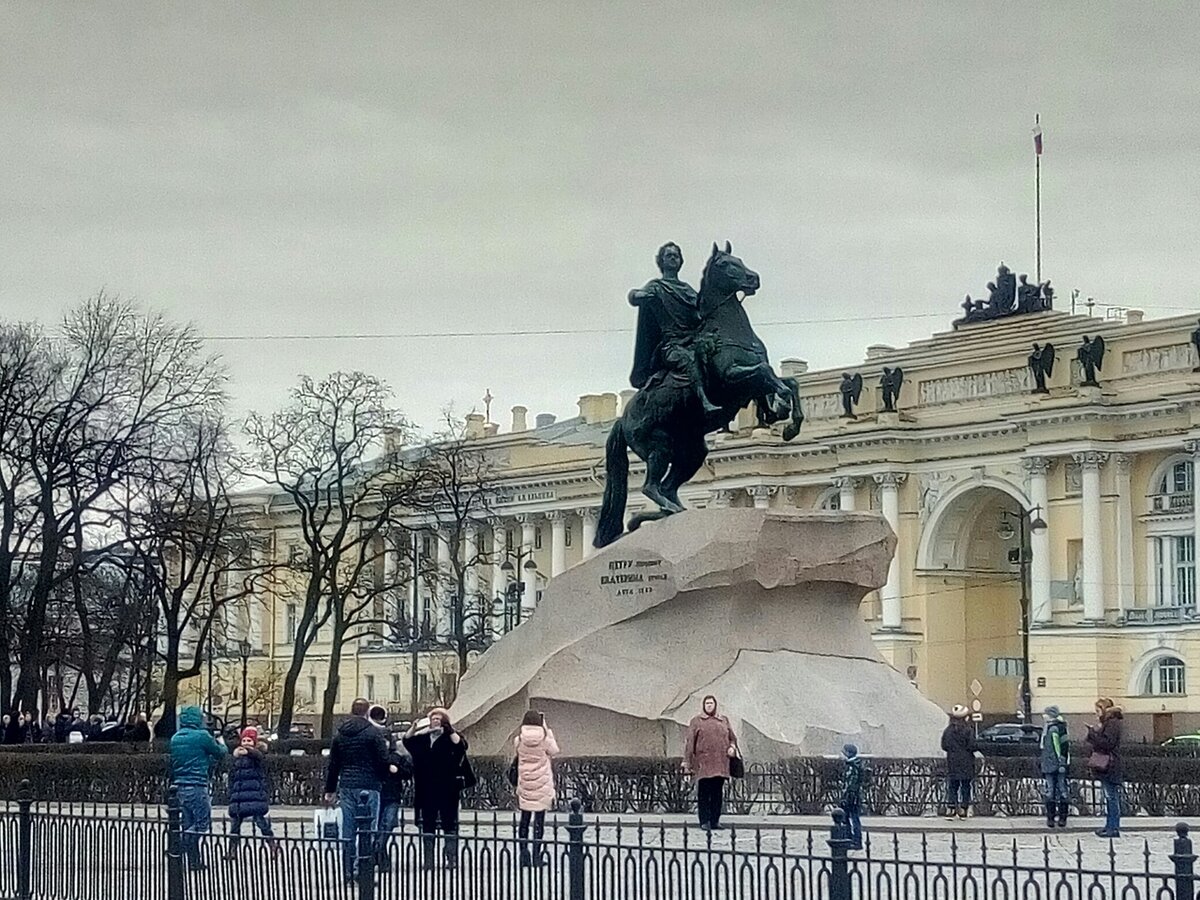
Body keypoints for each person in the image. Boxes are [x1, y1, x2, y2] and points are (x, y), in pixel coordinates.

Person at [628, 242, 722, 416]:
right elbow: (634, 296)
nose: (673, 258)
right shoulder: (656, 286)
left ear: (681, 261)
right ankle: (704, 402)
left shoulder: (687, 289)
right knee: (688, 360)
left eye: (676, 256)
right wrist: (638, 295)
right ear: (661, 261)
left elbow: (701, 310)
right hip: (672, 345)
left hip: (693, 340)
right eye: (669, 255)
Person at [324, 698, 389, 884]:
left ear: (351, 711)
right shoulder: (373, 733)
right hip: (369, 785)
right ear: (367, 712)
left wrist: (330, 789)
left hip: (347, 785)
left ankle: (348, 870)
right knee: (367, 829)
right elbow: (383, 760)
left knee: (348, 829)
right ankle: (362, 870)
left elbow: (333, 764)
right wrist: (382, 778)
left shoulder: (341, 734)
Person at [403, 707, 469, 871]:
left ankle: (451, 858)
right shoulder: (423, 738)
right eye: (433, 719)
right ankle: (429, 860)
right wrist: (413, 728)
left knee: (450, 824)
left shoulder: (450, 738)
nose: (435, 722)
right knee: (427, 826)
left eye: (439, 719)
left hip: (447, 788)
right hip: (426, 789)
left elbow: (461, 746)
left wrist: (449, 730)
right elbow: (407, 742)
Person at [169, 705, 228, 872]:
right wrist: (222, 742)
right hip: (197, 785)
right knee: (202, 823)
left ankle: (194, 861)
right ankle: (177, 845)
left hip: (180, 786)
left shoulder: (176, 738)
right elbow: (220, 753)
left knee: (189, 823)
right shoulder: (202, 736)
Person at [682, 695, 739, 832]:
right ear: (703, 705)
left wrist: (732, 747)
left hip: (721, 763)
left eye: (711, 703)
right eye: (707, 703)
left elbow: (732, 738)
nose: (709, 705)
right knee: (704, 793)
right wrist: (687, 763)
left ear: (715, 705)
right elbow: (690, 743)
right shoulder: (696, 721)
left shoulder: (723, 720)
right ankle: (704, 821)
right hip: (704, 764)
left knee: (717, 794)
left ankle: (715, 821)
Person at [223, 726, 279, 860]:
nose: (246, 743)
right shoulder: (237, 757)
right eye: (244, 740)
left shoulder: (257, 755)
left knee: (261, 822)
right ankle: (232, 850)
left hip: (254, 796)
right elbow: (231, 774)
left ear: (254, 742)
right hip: (239, 796)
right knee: (235, 826)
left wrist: (248, 751)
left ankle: (272, 845)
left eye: (249, 741)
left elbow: (259, 756)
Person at [514, 710, 560, 867]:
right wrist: (547, 730)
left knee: (524, 821)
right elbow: (554, 750)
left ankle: (523, 855)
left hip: (526, 784)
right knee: (539, 822)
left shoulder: (519, 739)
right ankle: (536, 856)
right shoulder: (545, 739)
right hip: (541, 785)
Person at [369, 705, 412, 869]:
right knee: (376, 825)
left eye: (386, 741)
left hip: (392, 796)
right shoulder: (372, 756)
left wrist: (397, 769)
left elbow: (408, 772)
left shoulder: (396, 755)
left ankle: (378, 850)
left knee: (387, 825)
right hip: (376, 794)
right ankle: (380, 856)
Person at [1086, 697, 1123, 838]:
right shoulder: (1109, 723)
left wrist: (1093, 734)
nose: (1096, 714)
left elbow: (1108, 743)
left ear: (1104, 710)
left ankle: (1113, 827)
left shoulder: (1112, 723)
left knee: (1111, 797)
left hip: (1110, 765)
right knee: (1109, 797)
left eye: (1097, 711)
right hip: (1108, 764)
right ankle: (1109, 826)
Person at [940, 705, 976, 820]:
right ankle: (964, 809)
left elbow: (944, 745)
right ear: (965, 717)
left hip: (952, 761)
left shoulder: (948, 731)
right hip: (966, 761)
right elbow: (972, 745)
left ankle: (951, 808)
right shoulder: (968, 730)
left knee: (953, 785)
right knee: (965, 786)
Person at [1040, 706, 1070, 828]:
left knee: (1056, 790)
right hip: (1049, 763)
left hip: (1054, 763)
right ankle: (1057, 817)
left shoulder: (1054, 728)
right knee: (1056, 790)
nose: (1044, 716)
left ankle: (1054, 817)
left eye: (1046, 714)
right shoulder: (1050, 727)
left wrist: (1062, 762)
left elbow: (1063, 747)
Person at [840, 744, 865, 850]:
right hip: (854, 795)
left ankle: (853, 840)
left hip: (851, 796)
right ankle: (853, 840)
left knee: (851, 819)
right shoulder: (856, 764)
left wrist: (845, 795)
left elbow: (850, 783)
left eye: (844, 752)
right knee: (854, 818)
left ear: (849, 753)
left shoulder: (852, 766)